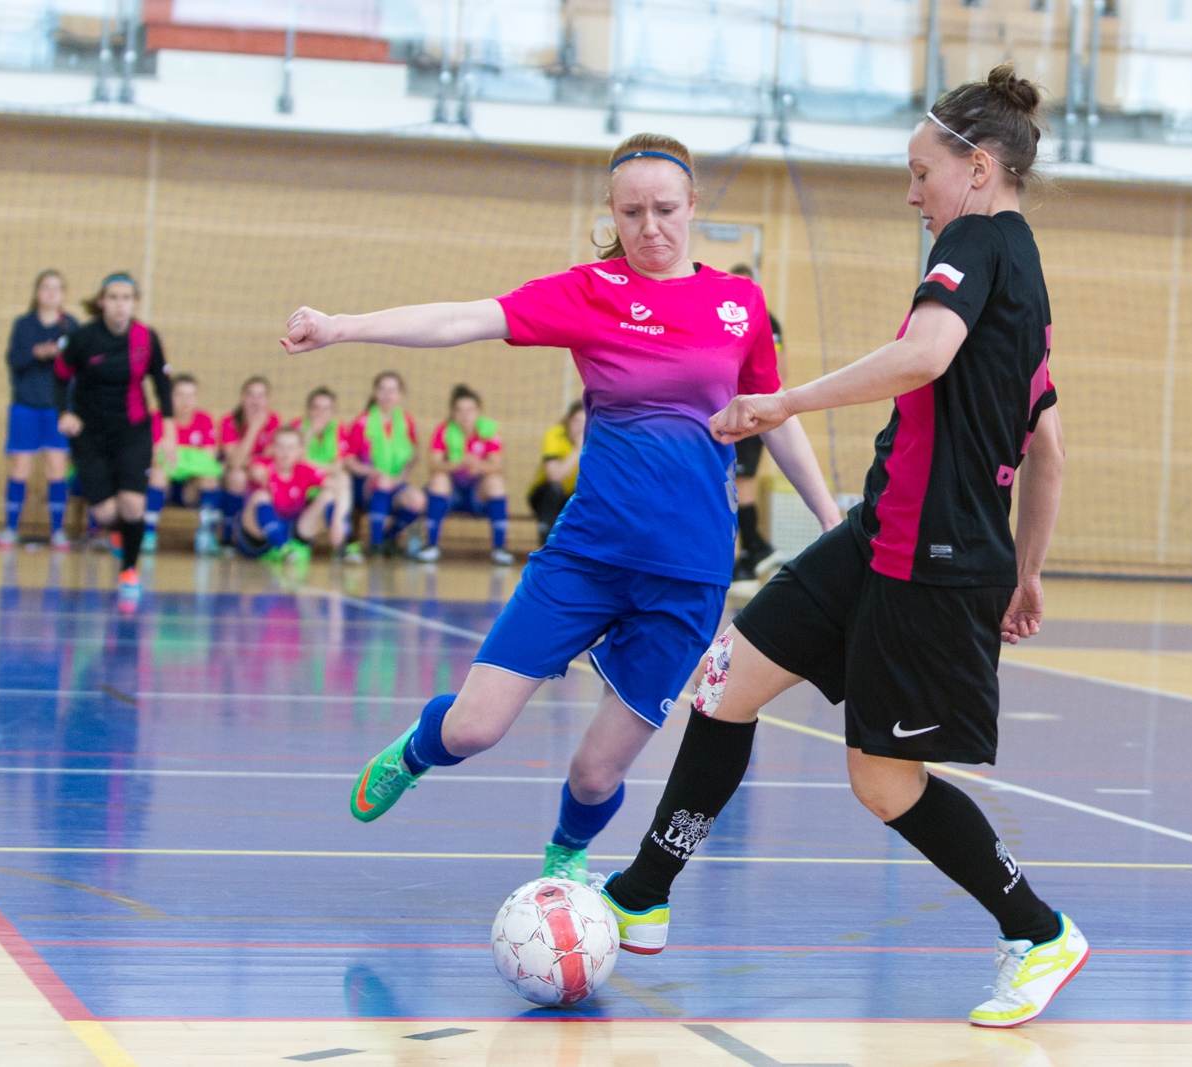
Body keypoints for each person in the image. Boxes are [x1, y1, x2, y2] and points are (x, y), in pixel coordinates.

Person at [591, 67, 1085, 1030]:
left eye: (920, 173)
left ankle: (1039, 931)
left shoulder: (975, 242)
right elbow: (1050, 447)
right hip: (878, 534)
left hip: (932, 563)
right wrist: (1030, 571)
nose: (912, 195)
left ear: (977, 169)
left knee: (882, 781)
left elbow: (926, 355)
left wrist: (786, 399)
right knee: (727, 677)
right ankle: (643, 892)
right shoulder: (1022, 269)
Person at [281, 131, 838, 885]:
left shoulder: (737, 302)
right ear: (612, 211)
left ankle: (566, 854)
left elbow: (773, 414)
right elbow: (462, 319)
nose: (651, 227)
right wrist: (342, 327)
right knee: (473, 727)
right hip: (587, 557)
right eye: (633, 212)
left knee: (595, 776)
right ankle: (417, 749)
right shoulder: (590, 292)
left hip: (689, 574)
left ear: (693, 206)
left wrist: (833, 523)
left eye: (666, 210)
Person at [54, 272, 175, 611]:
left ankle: (129, 571)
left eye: (126, 298)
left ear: (134, 302)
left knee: (133, 505)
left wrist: (168, 433)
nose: (120, 305)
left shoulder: (145, 338)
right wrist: (64, 412)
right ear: (102, 302)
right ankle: (119, 532)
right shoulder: (83, 338)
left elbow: (162, 386)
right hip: (89, 433)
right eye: (113, 297)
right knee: (106, 511)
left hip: (133, 430)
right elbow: (60, 378)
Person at [0, 270, 78, 550]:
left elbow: (79, 364)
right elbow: (13, 359)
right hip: (25, 405)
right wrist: (36, 353)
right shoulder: (24, 324)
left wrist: (61, 356)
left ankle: (57, 531)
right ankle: (11, 528)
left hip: (58, 409)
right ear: (37, 292)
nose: (51, 293)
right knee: (20, 466)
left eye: (57, 288)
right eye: (46, 287)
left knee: (56, 467)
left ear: (63, 294)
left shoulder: (70, 325)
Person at [726, 264, 787, 582]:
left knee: (741, 485)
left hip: (751, 414)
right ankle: (752, 549)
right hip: (730, 414)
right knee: (729, 487)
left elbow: (779, 371)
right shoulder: (725, 318)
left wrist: (768, 409)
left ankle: (755, 550)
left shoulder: (765, 319)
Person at [419, 384, 514, 565]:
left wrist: (478, 466)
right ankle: (431, 545)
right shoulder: (444, 430)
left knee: (496, 482)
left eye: (470, 410)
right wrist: (458, 463)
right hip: (451, 495)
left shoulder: (489, 430)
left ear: (478, 411)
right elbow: (433, 464)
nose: (465, 415)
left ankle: (500, 548)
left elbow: (498, 465)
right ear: (453, 412)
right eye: (460, 410)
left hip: (476, 495)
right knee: (438, 479)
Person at [345, 371, 426, 557]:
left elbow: (413, 456)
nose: (388, 395)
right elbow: (349, 461)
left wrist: (400, 478)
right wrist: (373, 472)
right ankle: (376, 545)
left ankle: (389, 537)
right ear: (375, 393)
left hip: (395, 483)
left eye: (393, 390)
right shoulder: (362, 422)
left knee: (418, 500)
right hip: (364, 486)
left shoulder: (406, 422)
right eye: (383, 389)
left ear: (400, 395)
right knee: (382, 481)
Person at [144, 373, 223, 555]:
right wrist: (191, 457)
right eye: (180, 395)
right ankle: (148, 534)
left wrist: (175, 454)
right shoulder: (158, 417)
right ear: (170, 397)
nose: (186, 400)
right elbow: (156, 456)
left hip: (189, 487)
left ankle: (206, 534)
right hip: (164, 485)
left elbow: (208, 460)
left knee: (210, 478)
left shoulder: (204, 419)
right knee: (158, 473)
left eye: (191, 395)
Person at [235, 425, 334, 566]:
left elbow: (334, 486)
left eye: (291, 448)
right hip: (259, 541)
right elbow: (255, 470)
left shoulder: (305, 470)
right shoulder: (263, 465)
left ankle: (345, 544)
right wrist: (258, 474)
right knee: (260, 496)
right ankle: (283, 549)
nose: (285, 452)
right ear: (273, 448)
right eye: (280, 447)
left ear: (300, 450)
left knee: (329, 495)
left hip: (294, 535)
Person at [291, 386, 359, 563]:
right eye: (316, 408)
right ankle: (344, 537)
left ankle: (338, 530)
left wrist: (313, 466)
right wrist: (309, 434)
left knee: (337, 485)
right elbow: (296, 464)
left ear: (333, 411)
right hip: (302, 490)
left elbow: (339, 466)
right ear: (308, 409)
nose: (321, 413)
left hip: (327, 488)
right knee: (339, 484)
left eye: (326, 408)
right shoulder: (297, 427)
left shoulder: (338, 428)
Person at [220, 376, 279, 546]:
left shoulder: (274, 421)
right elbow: (235, 462)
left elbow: (272, 458)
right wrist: (254, 428)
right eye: (251, 395)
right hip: (231, 476)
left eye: (261, 396)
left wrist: (249, 461)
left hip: (258, 472)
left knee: (266, 474)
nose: (256, 401)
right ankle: (228, 532)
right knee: (237, 476)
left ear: (268, 400)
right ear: (242, 398)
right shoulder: (229, 421)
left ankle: (265, 533)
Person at [528, 401, 584, 547]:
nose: (580, 428)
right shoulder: (554, 435)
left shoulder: (596, 440)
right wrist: (577, 450)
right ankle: (545, 544)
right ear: (568, 421)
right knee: (554, 490)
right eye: (577, 421)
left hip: (573, 495)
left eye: (585, 422)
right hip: (544, 495)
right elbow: (554, 476)